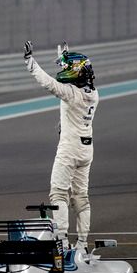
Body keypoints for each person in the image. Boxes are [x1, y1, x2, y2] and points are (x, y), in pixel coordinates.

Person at [23, 40, 98, 251]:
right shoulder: (94, 94)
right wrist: (65, 60)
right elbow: (74, 76)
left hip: (69, 149)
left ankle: (62, 242)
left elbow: (49, 83)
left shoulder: (70, 94)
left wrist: (31, 63)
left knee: (58, 194)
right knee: (81, 197)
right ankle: (82, 244)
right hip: (86, 150)